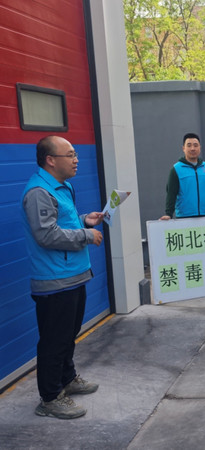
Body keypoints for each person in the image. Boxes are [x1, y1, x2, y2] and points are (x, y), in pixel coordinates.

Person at [22, 136, 104, 419]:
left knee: (68, 335)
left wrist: (84, 220)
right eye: (70, 155)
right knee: (54, 341)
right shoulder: (38, 192)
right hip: (54, 280)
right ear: (50, 160)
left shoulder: (62, 186)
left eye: (75, 154)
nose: (76, 160)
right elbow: (46, 235)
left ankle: (67, 379)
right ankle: (49, 398)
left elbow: (62, 222)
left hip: (73, 275)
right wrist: (86, 235)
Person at [160, 132, 205, 220]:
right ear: (183, 148)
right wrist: (168, 214)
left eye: (196, 145)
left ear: (200, 148)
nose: (193, 148)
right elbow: (171, 194)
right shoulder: (176, 169)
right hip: (184, 217)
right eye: (189, 145)